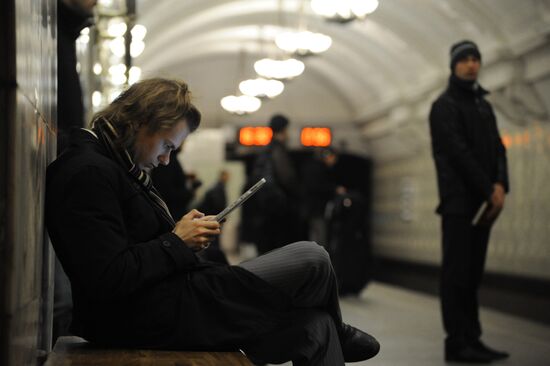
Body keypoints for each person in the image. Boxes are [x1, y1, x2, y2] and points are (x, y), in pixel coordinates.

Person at [45, 78, 379, 365]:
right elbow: (106, 277)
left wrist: (180, 235)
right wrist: (177, 241)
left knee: (316, 326)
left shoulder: (114, 167)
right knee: (313, 258)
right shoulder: (87, 172)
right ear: (141, 122)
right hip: (150, 314)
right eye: (166, 146)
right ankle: (340, 329)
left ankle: (334, 327)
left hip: (170, 301)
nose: (164, 159)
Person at [429, 40, 510, 363]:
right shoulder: (444, 105)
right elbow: (457, 152)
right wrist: (488, 188)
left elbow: (498, 148)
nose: (471, 64)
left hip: (485, 201)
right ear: (453, 65)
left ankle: (473, 338)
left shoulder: (483, 105)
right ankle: (456, 341)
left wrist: (501, 184)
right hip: (459, 202)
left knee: (473, 273)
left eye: (476, 58)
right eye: (464, 59)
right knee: (456, 273)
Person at [54, 0, 98, 342]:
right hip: (61, 166)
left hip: (62, 164)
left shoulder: (67, 31)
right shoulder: (59, 32)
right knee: (60, 302)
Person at [252, 114, 305, 254]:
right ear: (283, 130)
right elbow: (287, 179)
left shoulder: (265, 151)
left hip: (266, 211)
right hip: (279, 211)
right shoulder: (277, 150)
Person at [151, 146, 202, 220]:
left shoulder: (172, 159)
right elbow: (166, 192)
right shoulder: (168, 161)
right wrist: (191, 191)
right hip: (172, 214)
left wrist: (185, 176)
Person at [196, 170, 230, 264]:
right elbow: (217, 205)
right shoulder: (217, 188)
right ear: (222, 176)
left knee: (214, 241)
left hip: (215, 219)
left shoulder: (218, 187)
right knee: (214, 242)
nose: (228, 178)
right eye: (226, 176)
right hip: (214, 219)